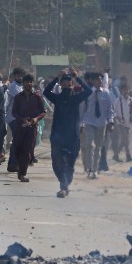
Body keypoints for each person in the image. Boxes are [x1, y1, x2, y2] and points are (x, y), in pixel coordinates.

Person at [43, 69, 92, 197]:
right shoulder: (57, 98)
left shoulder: (76, 98)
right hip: (57, 136)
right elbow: (46, 92)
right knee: (57, 162)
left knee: (70, 162)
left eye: (68, 84)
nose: (66, 87)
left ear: (72, 85)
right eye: (63, 85)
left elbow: (89, 91)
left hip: (72, 136)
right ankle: (63, 186)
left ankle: (65, 184)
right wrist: (56, 79)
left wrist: (77, 77)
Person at [11, 74, 46, 182]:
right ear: (23, 83)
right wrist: (22, 119)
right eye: (26, 82)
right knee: (17, 149)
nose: (29, 84)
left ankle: (22, 174)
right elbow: (14, 112)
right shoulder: (17, 97)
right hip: (20, 127)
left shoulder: (37, 97)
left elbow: (43, 112)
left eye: (30, 82)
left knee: (27, 150)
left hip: (32, 127)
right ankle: (18, 166)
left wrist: (36, 119)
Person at [80, 72, 114, 179]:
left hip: (101, 123)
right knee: (90, 145)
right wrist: (81, 123)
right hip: (89, 122)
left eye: (100, 79)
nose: (100, 82)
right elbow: (82, 110)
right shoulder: (87, 93)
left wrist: (111, 121)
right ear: (93, 81)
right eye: (97, 80)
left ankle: (95, 170)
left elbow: (110, 109)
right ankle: (89, 168)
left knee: (98, 148)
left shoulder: (106, 93)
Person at [4, 67, 25, 172]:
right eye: (18, 75)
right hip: (13, 117)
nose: (20, 77)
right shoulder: (13, 86)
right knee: (16, 140)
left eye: (21, 76)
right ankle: (12, 163)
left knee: (18, 141)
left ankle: (15, 163)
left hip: (21, 118)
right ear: (14, 76)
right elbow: (21, 97)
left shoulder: (22, 86)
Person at [112, 85, 132, 163]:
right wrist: (118, 118)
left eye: (127, 90)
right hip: (120, 123)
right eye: (124, 90)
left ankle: (115, 155)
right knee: (126, 139)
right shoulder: (117, 100)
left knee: (123, 141)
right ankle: (128, 156)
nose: (126, 92)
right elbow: (113, 111)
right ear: (121, 91)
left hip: (128, 123)